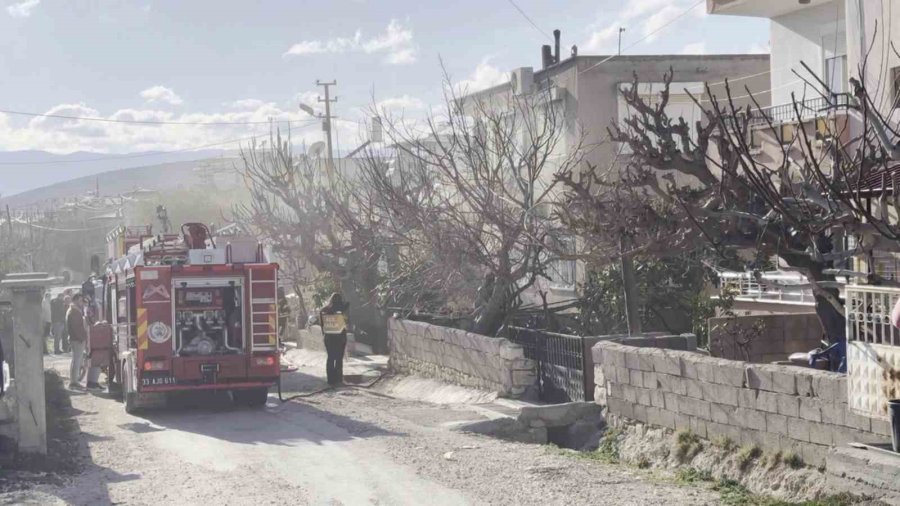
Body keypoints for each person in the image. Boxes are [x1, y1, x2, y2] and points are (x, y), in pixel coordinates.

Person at [319, 292, 349, 386]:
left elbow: (322, 325)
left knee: (331, 358)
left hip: (328, 338)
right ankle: (338, 380)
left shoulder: (324, 310)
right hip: (340, 338)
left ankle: (330, 380)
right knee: (339, 359)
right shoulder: (342, 310)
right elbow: (346, 321)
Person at [66, 293, 90, 390]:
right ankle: (74, 382)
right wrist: (82, 338)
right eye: (80, 300)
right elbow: (77, 328)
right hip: (77, 340)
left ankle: (74, 381)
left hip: (75, 339)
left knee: (76, 360)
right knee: (77, 361)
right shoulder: (74, 312)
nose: (81, 302)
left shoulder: (74, 310)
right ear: (75, 300)